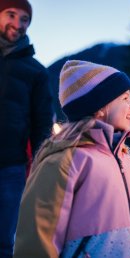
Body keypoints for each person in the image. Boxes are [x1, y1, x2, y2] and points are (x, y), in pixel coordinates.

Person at [13, 60, 130, 257]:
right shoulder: (64, 162)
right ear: (100, 107)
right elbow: (37, 240)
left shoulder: (129, 161)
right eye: (125, 98)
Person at [0, 0, 53, 257]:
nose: (18, 24)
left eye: (24, 19)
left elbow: (42, 125)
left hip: (11, 169)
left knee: (3, 240)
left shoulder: (36, 72)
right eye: (11, 14)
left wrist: (38, 167)